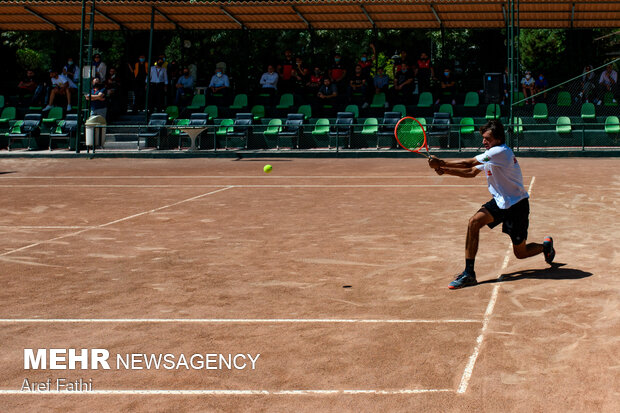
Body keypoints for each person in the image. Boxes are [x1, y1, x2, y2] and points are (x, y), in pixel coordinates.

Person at [428, 120, 555, 289]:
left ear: (497, 138)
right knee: (474, 222)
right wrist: (445, 170)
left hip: (517, 205)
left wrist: (441, 162)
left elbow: (468, 164)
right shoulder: (491, 153)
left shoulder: (500, 152)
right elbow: (472, 172)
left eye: (487, 138)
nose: (483, 141)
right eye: (483, 138)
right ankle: (469, 274)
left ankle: (545, 246)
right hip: (500, 202)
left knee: (521, 253)